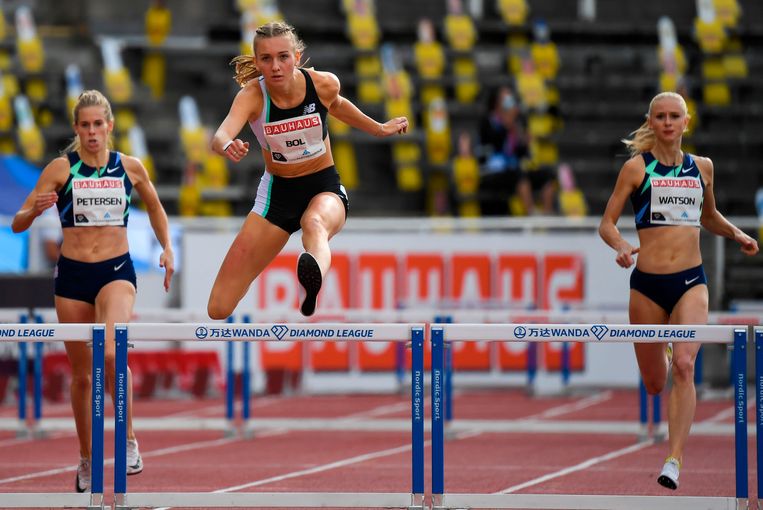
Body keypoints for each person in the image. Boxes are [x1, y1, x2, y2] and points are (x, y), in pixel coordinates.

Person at [11, 90, 174, 493]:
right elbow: (17, 222)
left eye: (98, 124)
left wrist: (167, 248)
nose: (91, 132)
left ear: (109, 126)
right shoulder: (61, 169)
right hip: (72, 277)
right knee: (83, 376)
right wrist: (35, 209)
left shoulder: (129, 168)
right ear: (76, 129)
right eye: (84, 125)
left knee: (113, 351)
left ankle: (130, 440)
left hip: (116, 270)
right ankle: (87, 458)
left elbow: (154, 206)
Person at [598, 91, 758, 490]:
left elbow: (709, 216)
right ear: (650, 122)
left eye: (675, 116)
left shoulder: (702, 167)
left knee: (686, 366)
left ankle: (674, 459)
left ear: (687, 122)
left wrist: (737, 233)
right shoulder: (636, 170)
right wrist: (620, 246)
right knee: (655, 383)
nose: (668, 122)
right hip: (648, 287)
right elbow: (607, 223)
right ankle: (665, 354)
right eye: (661, 116)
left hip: (691, 282)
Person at [207, 21, 408, 319]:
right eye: (266, 59)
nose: (276, 67)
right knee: (218, 308)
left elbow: (337, 105)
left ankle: (313, 278)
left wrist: (378, 129)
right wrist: (226, 145)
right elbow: (220, 136)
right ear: (258, 62)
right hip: (277, 195)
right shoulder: (252, 97)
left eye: (283, 57)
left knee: (314, 223)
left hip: (323, 186)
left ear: (297, 57)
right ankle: (308, 267)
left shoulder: (323, 84)